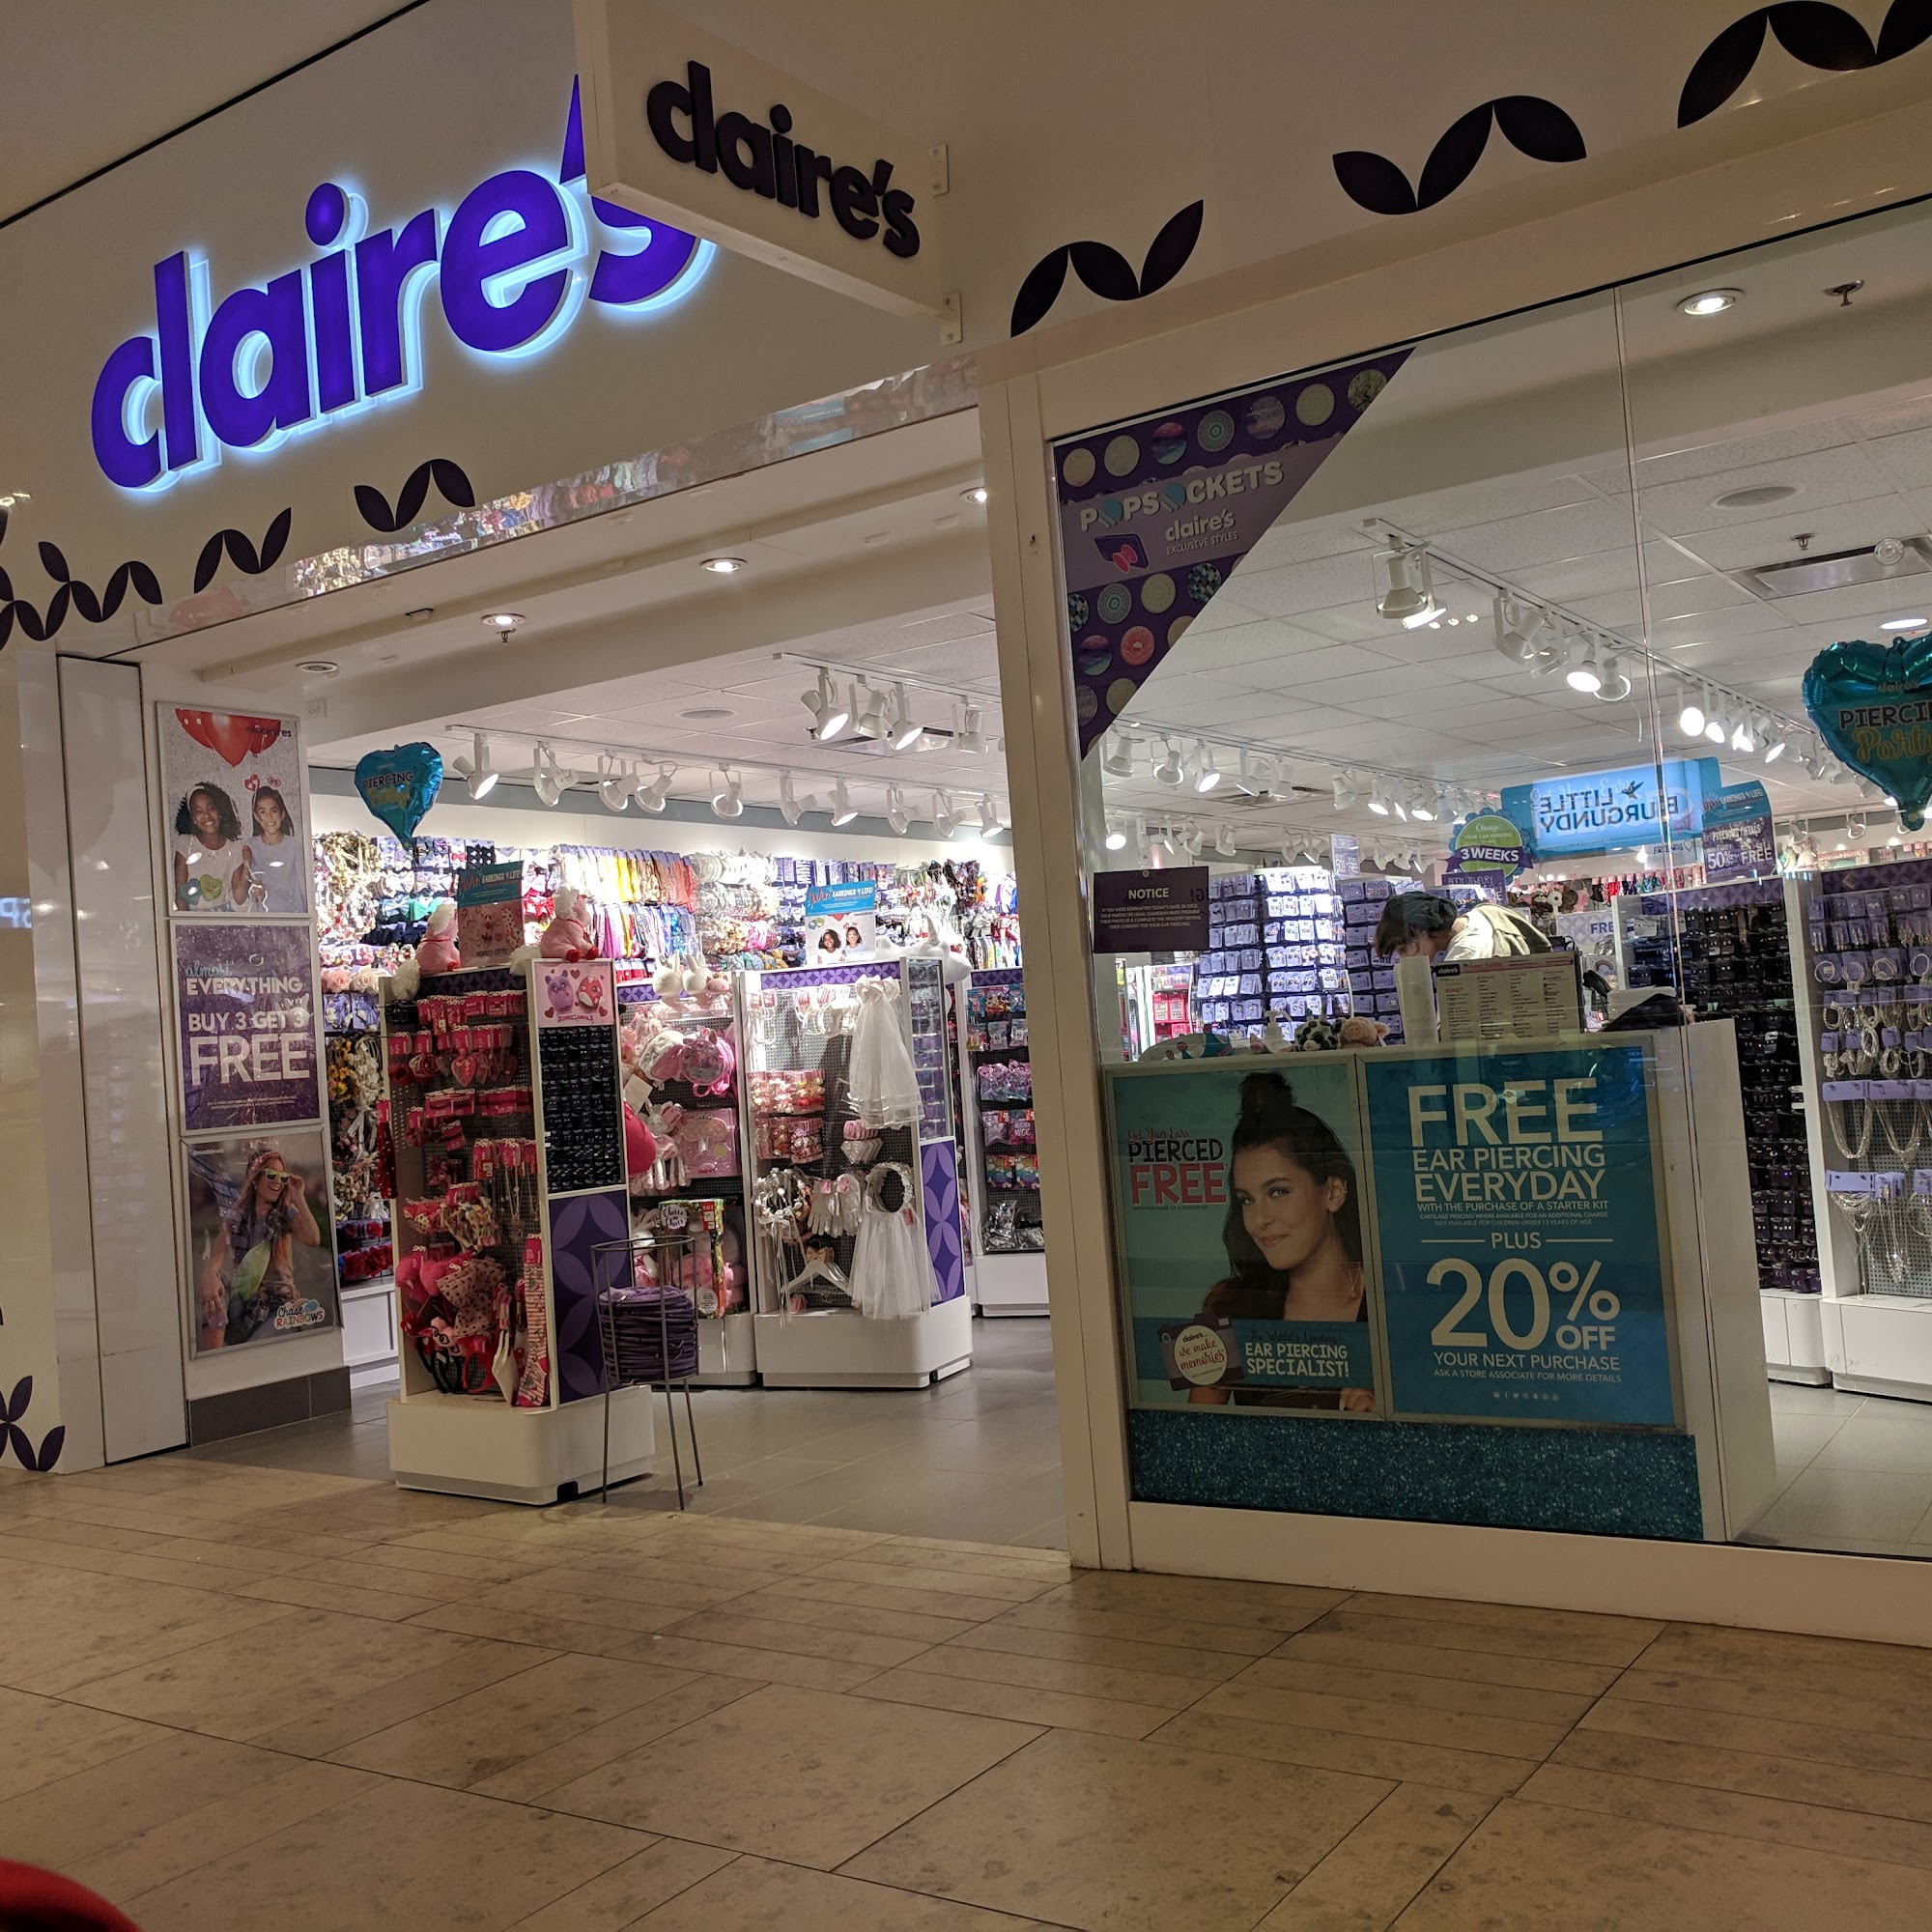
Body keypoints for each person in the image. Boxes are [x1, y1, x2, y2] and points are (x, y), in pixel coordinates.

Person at [1190, 1070, 1372, 1412]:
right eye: (1246, 1199)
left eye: (1277, 1192)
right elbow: (1194, 1430)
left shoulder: (1389, 1302)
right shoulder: (1226, 1305)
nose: (1258, 1219)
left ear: (1333, 1192)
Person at [197, 1143, 322, 1350]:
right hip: (245, 1301)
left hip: (279, 1304)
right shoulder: (237, 1216)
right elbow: (217, 1256)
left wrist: (299, 1196)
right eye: (271, 1175)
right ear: (255, 1179)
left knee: (255, 1349)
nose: (278, 1182)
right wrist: (209, 1275)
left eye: (282, 1177)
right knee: (214, 1283)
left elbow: (313, 1238)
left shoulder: (285, 1212)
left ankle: (232, 1354)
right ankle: (214, 1356)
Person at [1372, 890, 1550, 961]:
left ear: (1420, 931)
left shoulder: (1464, 955)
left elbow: (1452, 1024)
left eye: (1403, 950)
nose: (1405, 959)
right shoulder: (1482, 914)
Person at [173, 783, 253, 912]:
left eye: (211, 808)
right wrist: (185, 921)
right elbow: (180, 893)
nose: (206, 815)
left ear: (219, 812)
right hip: (193, 916)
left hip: (223, 915)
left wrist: (247, 864)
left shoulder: (235, 849)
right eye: (199, 811)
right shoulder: (186, 843)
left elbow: (239, 898)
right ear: (193, 819)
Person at [247, 785, 304, 914]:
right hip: (262, 916)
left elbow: (302, 884)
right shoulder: (250, 845)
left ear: (282, 814)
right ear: (256, 816)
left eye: (274, 811)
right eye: (263, 812)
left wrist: (306, 914)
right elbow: (249, 885)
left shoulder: (294, 846)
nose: (269, 817)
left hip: (291, 915)